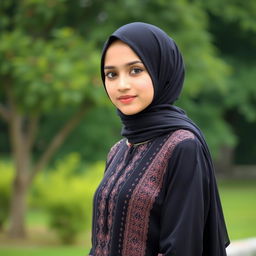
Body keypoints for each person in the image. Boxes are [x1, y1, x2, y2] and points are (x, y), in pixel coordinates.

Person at [89, 22, 230, 256]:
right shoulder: (118, 151)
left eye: (135, 70)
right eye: (111, 74)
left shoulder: (183, 146)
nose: (122, 85)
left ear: (161, 71)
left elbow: (182, 248)